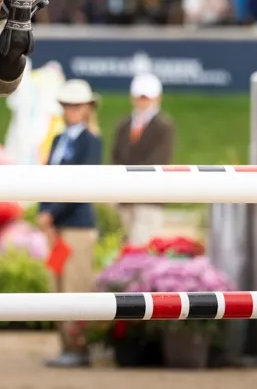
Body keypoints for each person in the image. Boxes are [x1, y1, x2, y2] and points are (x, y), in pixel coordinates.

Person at [37, 78, 103, 368]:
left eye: (76, 106)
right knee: (57, 285)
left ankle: (79, 347)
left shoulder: (91, 142)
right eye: (68, 106)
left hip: (76, 224)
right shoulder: (57, 139)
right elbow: (46, 178)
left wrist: (51, 214)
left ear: (86, 108)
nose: (72, 111)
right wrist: (44, 214)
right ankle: (65, 344)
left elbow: (82, 187)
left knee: (76, 285)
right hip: (55, 226)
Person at [111, 73, 175, 244]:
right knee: (122, 248)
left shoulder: (164, 127)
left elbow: (158, 159)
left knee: (142, 247)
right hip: (124, 198)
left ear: (157, 98)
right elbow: (115, 157)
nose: (143, 102)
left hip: (149, 198)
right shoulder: (123, 125)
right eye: (140, 97)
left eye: (146, 98)